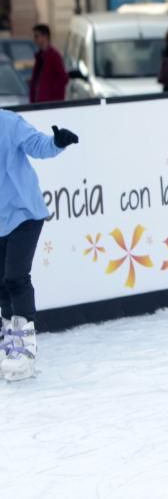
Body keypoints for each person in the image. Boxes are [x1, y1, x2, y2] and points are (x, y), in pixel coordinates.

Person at [0, 110, 79, 381]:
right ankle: (8, 343)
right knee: (1, 283)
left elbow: (37, 145)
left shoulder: (8, 123)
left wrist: (57, 143)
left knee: (15, 278)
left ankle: (24, 348)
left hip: (25, 215)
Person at [29, 24, 68, 103]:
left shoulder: (54, 56)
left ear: (45, 37)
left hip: (49, 105)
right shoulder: (40, 57)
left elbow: (63, 78)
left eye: (37, 36)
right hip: (39, 103)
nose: (34, 40)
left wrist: (52, 97)